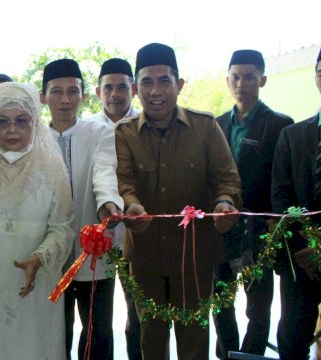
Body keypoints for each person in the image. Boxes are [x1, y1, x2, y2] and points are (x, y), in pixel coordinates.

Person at [115, 43, 242, 360]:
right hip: (144, 259)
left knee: (193, 340)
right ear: (135, 88)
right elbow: (123, 181)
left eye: (164, 81)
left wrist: (224, 203)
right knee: (151, 339)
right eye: (146, 82)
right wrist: (130, 204)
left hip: (195, 257)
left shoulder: (205, 127)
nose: (155, 91)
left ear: (179, 85)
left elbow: (226, 179)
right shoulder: (124, 133)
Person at [0, 81, 74, 359]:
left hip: (37, 281)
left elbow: (63, 226)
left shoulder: (52, 167)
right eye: (3, 121)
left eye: (21, 121)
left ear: (35, 123)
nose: (12, 130)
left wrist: (41, 256)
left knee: (35, 346)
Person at [212, 49, 293, 359]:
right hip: (221, 228)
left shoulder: (279, 125)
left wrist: (275, 226)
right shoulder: (216, 124)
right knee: (220, 301)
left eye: (249, 77)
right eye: (235, 76)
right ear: (227, 80)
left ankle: (252, 355)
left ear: (263, 79)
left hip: (260, 232)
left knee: (258, 306)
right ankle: (228, 352)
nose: (241, 83)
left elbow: (281, 182)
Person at [41, 58, 124, 360]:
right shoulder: (33, 137)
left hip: (94, 252)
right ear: (43, 97)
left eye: (73, 91)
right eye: (57, 92)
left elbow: (104, 170)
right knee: (53, 332)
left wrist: (108, 204)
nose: (65, 100)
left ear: (83, 96)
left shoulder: (98, 133)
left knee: (97, 331)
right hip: (48, 255)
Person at [84, 57, 142, 360]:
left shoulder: (145, 124)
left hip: (137, 234)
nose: (115, 94)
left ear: (132, 89)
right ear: (97, 91)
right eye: (108, 87)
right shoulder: (88, 130)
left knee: (139, 315)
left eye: (122, 87)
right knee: (98, 319)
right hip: (98, 238)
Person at [271, 47, 321, 360]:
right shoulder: (292, 136)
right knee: (292, 341)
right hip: (300, 260)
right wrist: (308, 248)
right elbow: (281, 199)